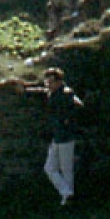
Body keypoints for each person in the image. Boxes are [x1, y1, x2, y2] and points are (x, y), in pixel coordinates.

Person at [34, 67, 85, 206]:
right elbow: (43, 92)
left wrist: (67, 121)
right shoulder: (55, 92)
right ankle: (68, 194)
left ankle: (67, 197)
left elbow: (78, 105)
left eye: (50, 81)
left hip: (65, 136)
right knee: (51, 168)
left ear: (58, 81)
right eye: (46, 81)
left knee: (65, 168)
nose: (47, 84)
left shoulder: (65, 94)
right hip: (58, 136)